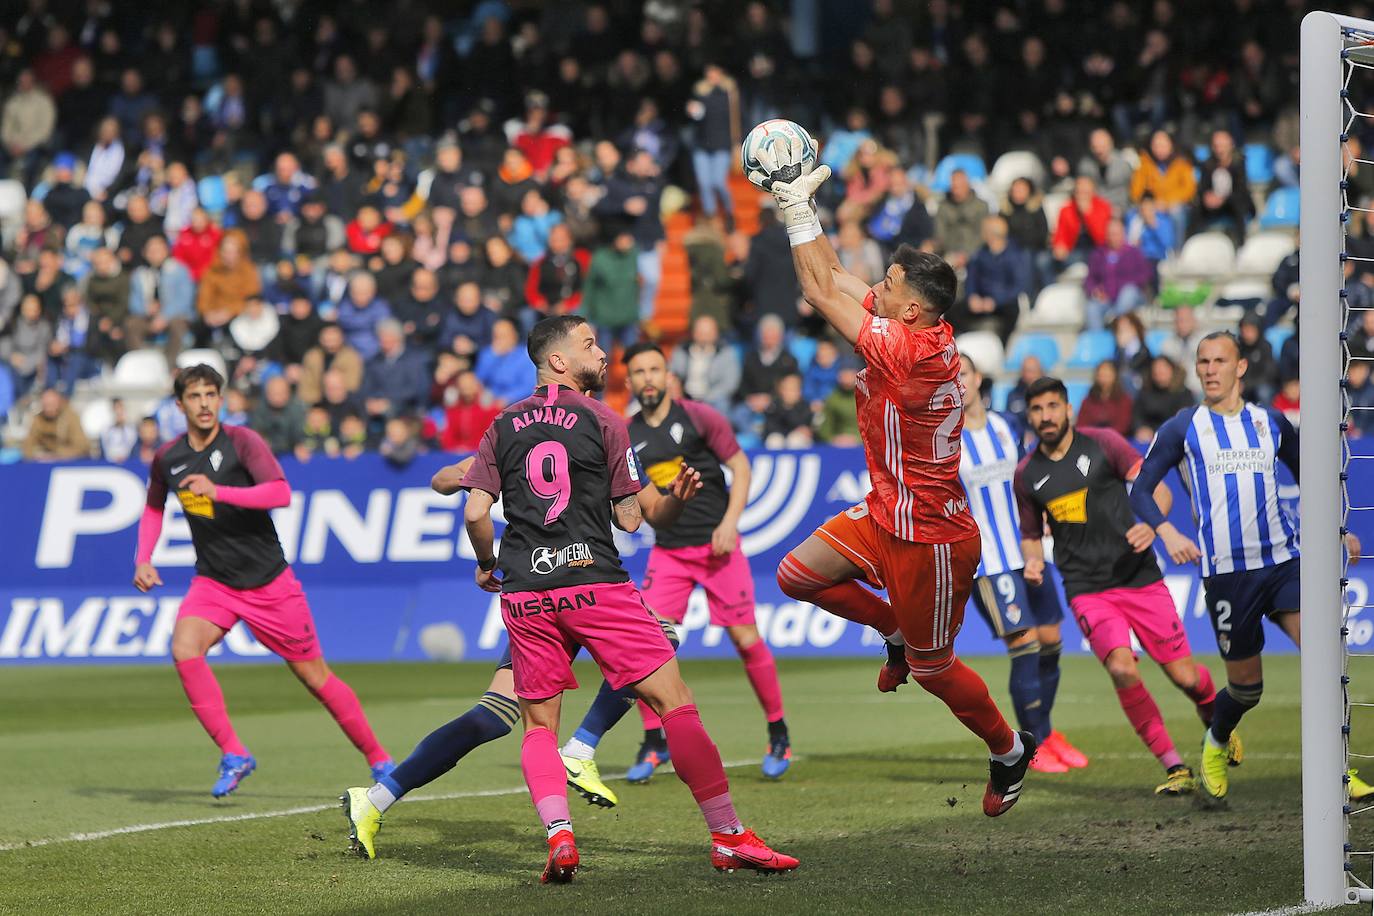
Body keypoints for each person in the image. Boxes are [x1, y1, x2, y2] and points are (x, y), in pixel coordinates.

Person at [344, 316, 798, 879]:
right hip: (594, 586)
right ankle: (725, 832)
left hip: (527, 595)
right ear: (558, 360)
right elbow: (633, 519)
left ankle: (559, 833)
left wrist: (486, 563)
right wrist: (672, 500)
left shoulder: (503, 424)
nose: (603, 353)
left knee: (532, 726)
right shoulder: (605, 421)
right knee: (672, 699)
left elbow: (470, 505)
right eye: (590, 345)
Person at [757, 153, 1035, 817]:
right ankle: (893, 633)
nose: (872, 288)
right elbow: (836, 278)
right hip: (888, 512)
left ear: (909, 309)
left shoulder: (909, 354)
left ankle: (1007, 751)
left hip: (932, 537)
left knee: (937, 669)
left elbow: (821, 293)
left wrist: (795, 214)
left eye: (886, 284)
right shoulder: (913, 326)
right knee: (796, 577)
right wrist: (805, 209)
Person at [132, 364, 394, 797]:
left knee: (316, 678)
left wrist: (221, 492)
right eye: (194, 396)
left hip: (269, 583)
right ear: (179, 405)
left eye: (211, 394)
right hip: (214, 581)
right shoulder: (169, 457)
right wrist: (144, 558)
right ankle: (235, 753)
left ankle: (379, 758)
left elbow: (279, 492)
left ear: (221, 399)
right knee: (184, 648)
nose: (204, 403)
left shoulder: (242, 442)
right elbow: (154, 508)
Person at [1129, 332, 1361, 800]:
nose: (1210, 369)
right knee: (1246, 690)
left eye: (1220, 360)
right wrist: (1167, 531)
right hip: (1227, 576)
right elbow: (1140, 489)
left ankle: (1340, 772)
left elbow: (1312, 477)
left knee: (1323, 660)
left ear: (1240, 368)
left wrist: (1339, 528)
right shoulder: (1182, 428)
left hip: (1283, 562)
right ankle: (1216, 739)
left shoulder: (1270, 422)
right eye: (1203, 362)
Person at [561, 342, 792, 789]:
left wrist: (730, 523)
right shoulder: (625, 433)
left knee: (746, 639)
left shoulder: (700, 417)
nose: (648, 378)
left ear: (669, 376)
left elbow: (740, 467)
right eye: (640, 371)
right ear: (630, 382)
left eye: (655, 370)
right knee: (650, 646)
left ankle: (778, 734)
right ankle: (653, 742)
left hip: (717, 547)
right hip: (669, 552)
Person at [1014, 376, 1219, 796]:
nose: (1045, 416)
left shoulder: (1105, 443)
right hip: (1086, 587)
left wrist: (1151, 525)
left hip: (1138, 576)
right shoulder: (1026, 474)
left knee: (1185, 677)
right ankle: (1174, 767)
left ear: (1068, 409)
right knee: (1122, 669)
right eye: (1037, 409)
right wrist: (1032, 562)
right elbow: (1031, 533)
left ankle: (1218, 723)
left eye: (1053, 406)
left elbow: (1157, 491)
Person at [956, 355, 1085, 775]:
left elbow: (1031, 476)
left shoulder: (1005, 426)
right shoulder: (945, 439)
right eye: (948, 375)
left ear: (977, 379)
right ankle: (1031, 744)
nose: (956, 381)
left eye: (962, 373)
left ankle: (1046, 732)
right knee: (1024, 645)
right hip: (990, 564)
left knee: (1052, 640)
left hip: (1028, 551)